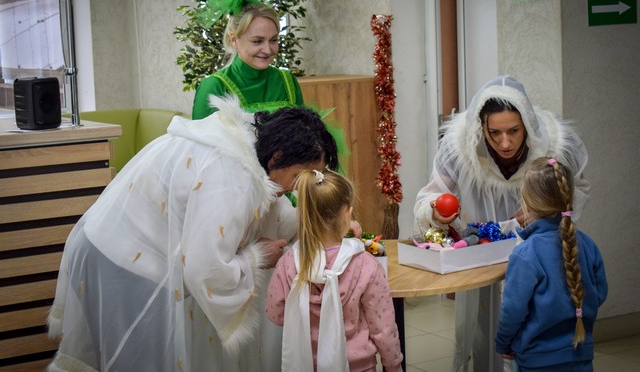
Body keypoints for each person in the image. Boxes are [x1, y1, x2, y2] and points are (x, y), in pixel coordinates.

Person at [46, 95, 339, 372]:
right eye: (301, 176)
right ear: (277, 158)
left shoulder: (253, 148)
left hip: (117, 242)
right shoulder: (230, 175)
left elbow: (273, 215)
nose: (302, 187)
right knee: (140, 361)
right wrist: (255, 257)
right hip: (119, 258)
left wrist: (328, 220)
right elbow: (203, 268)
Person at [413, 75, 590, 371]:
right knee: (486, 334)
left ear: (527, 124)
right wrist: (435, 210)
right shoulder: (459, 149)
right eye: (494, 133)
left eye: (513, 131)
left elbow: (578, 188)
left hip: (541, 256)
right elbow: (429, 196)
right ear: (480, 127)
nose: (505, 143)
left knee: (539, 331)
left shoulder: (557, 146)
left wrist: (545, 211)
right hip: (483, 259)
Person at [265, 169, 403, 372]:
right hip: (359, 367)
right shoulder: (365, 264)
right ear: (347, 215)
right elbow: (383, 328)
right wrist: (394, 366)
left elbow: (275, 314)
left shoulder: (288, 263)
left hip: (305, 364)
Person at [495, 157, 607, 371]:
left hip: (536, 361)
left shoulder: (525, 254)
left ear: (526, 204)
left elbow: (513, 310)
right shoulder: (587, 244)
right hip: (581, 355)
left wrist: (503, 342)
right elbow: (599, 293)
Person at [192, 0, 304, 119]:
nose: (268, 50)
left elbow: (306, 130)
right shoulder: (214, 86)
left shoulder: (287, 81)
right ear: (234, 40)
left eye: (274, 40)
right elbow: (199, 134)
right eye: (257, 41)